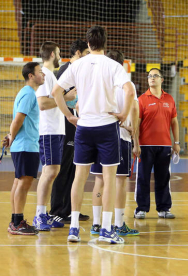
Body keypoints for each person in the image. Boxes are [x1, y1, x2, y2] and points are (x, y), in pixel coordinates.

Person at [52, 26, 135, 244]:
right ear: (105, 44)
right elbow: (129, 90)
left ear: (88, 44)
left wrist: (70, 116)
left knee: (79, 178)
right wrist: (124, 113)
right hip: (107, 126)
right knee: (109, 180)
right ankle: (107, 229)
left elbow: (56, 92)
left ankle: (75, 228)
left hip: (84, 127)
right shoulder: (113, 65)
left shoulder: (77, 65)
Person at [90, 50, 139, 236]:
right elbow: (134, 110)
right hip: (120, 136)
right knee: (119, 181)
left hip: (97, 133)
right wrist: (134, 136)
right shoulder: (126, 84)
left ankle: (96, 223)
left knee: (99, 180)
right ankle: (118, 223)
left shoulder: (97, 83)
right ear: (121, 65)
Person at [33, 41, 76, 231]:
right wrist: (65, 98)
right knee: (49, 172)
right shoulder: (45, 74)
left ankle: (45, 214)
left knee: (53, 172)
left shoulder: (51, 75)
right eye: (58, 53)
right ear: (51, 54)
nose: (60, 57)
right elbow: (42, 103)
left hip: (57, 131)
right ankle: (39, 215)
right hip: (49, 131)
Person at [50, 39, 90, 223]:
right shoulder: (67, 70)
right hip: (66, 122)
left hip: (77, 122)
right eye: (87, 53)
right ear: (79, 53)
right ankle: (57, 209)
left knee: (75, 166)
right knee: (64, 166)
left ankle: (70, 209)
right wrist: (68, 114)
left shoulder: (80, 71)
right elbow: (57, 96)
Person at [4, 62, 45, 235]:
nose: (42, 74)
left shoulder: (25, 92)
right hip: (26, 145)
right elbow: (18, 119)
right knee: (24, 182)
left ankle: (15, 220)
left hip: (24, 145)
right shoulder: (28, 94)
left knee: (19, 181)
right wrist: (11, 136)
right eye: (40, 72)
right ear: (31, 76)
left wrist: (10, 136)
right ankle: (17, 222)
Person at [134, 68, 180, 219]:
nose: (152, 78)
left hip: (165, 146)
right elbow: (136, 123)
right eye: (150, 76)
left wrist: (176, 142)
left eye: (155, 76)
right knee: (143, 178)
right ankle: (141, 208)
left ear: (162, 80)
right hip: (145, 146)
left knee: (163, 178)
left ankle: (164, 208)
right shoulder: (141, 99)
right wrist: (136, 144)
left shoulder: (169, 99)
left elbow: (174, 122)